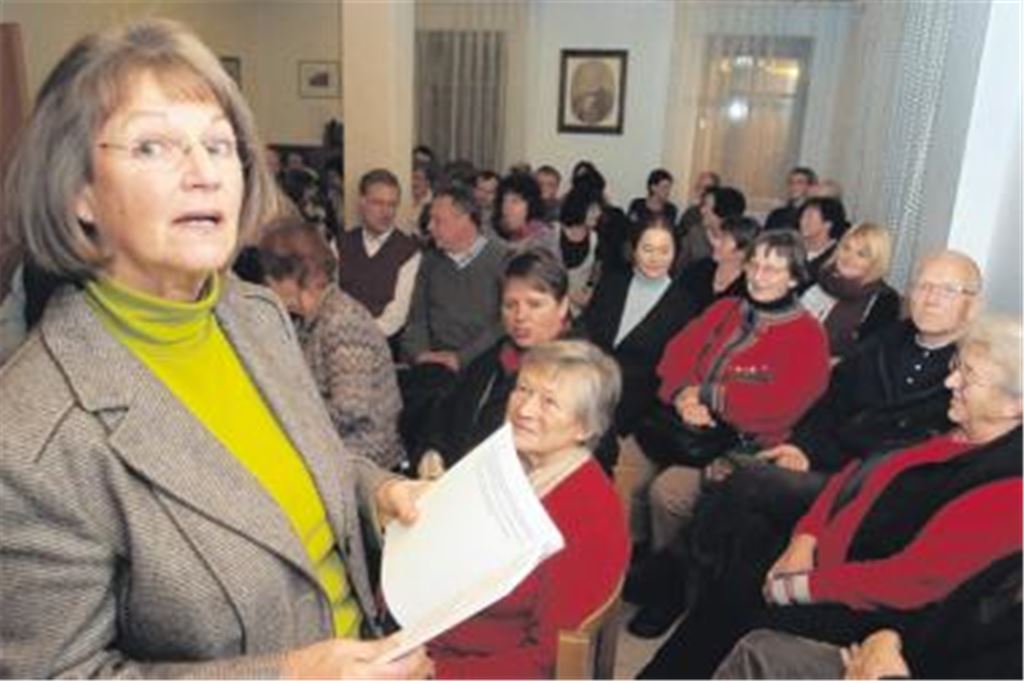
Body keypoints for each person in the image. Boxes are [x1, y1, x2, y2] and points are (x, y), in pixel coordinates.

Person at [0, 19, 430, 678]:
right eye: (153, 146)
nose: (203, 173)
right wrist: (291, 674)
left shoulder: (254, 312)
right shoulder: (30, 436)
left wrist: (377, 493)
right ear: (77, 191)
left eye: (220, 145)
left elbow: (304, 463)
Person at [640, 313, 1022, 679]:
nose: (951, 381)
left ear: (1014, 405)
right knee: (734, 577)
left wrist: (802, 586)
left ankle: (667, 585)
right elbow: (852, 477)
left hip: (865, 608)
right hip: (826, 559)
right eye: (957, 365)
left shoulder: (1007, 490)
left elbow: (909, 582)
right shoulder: (958, 432)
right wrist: (805, 539)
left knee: (737, 607)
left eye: (969, 377)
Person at [627, 230, 830, 636]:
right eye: (754, 264)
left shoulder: (808, 334)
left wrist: (710, 396)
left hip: (741, 446)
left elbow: (782, 404)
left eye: (772, 269)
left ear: (794, 279)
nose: (758, 275)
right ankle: (623, 566)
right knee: (621, 467)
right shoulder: (725, 309)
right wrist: (684, 395)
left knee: (668, 493)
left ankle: (671, 589)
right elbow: (674, 357)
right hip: (680, 425)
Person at [426, 340, 630, 678]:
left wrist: (436, 672)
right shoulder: (505, 461)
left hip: (474, 663)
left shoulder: (588, 516)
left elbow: (547, 659)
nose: (525, 410)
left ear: (585, 427)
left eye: (549, 402)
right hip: (437, 627)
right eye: (523, 389)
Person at [260, 218, 405, 471]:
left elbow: (351, 408)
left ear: (291, 275)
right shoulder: (311, 319)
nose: (267, 286)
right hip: (335, 447)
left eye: (270, 277)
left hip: (364, 458)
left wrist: (289, 417)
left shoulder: (341, 320)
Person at [415, 249, 572, 479]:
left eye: (535, 304)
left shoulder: (580, 373)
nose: (520, 316)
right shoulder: (493, 357)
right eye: (510, 305)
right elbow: (445, 413)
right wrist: (432, 451)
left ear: (562, 306)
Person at [583, 217, 700, 443]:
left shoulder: (685, 305)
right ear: (634, 249)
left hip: (637, 417)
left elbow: (675, 369)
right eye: (647, 249)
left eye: (664, 251)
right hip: (588, 395)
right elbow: (588, 333)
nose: (655, 259)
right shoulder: (612, 283)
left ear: (675, 254)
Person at [337, 169, 421, 342]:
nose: (386, 212)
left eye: (392, 205)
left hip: (383, 343)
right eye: (378, 203)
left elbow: (396, 316)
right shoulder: (339, 244)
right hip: (338, 337)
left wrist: (358, 337)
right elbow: (329, 299)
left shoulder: (409, 252)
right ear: (362, 202)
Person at [800, 221, 900, 360]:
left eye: (861, 254)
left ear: (876, 262)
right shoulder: (817, 279)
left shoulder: (884, 300)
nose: (849, 258)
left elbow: (870, 354)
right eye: (846, 248)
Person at [678, 215, 758, 314]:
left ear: (742, 251)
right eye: (718, 237)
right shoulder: (699, 269)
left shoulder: (749, 287)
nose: (715, 243)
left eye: (724, 240)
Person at [557, 185, 603, 317]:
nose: (598, 213)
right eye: (593, 209)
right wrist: (569, 293)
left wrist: (589, 289)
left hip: (578, 313)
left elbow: (596, 269)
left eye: (599, 209)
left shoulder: (595, 239)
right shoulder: (552, 233)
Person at [678, 185, 746, 270]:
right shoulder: (695, 235)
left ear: (722, 212)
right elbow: (679, 269)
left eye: (707, 206)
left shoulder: (742, 239)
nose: (702, 211)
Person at [495, 172, 559, 256]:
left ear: (530, 204)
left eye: (515, 201)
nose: (507, 207)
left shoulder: (544, 237)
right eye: (504, 201)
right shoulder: (496, 230)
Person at [674, 170, 720, 270]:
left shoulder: (730, 225)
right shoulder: (690, 214)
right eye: (699, 187)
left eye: (706, 188)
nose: (702, 191)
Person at [798, 196, 849, 285]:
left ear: (827, 224)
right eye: (802, 217)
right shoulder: (794, 247)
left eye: (810, 217)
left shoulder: (836, 256)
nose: (803, 222)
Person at [764, 166, 816, 232]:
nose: (794, 186)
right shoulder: (777, 214)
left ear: (810, 186)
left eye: (799, 182)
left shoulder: (813, 215)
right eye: (791, 182)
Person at [473, 169, 501, 238]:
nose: (483, 195)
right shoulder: (464, 211)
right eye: (480, 189)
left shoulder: (501, 217)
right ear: (473, 189)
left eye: (490, 192)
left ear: (497, 194)